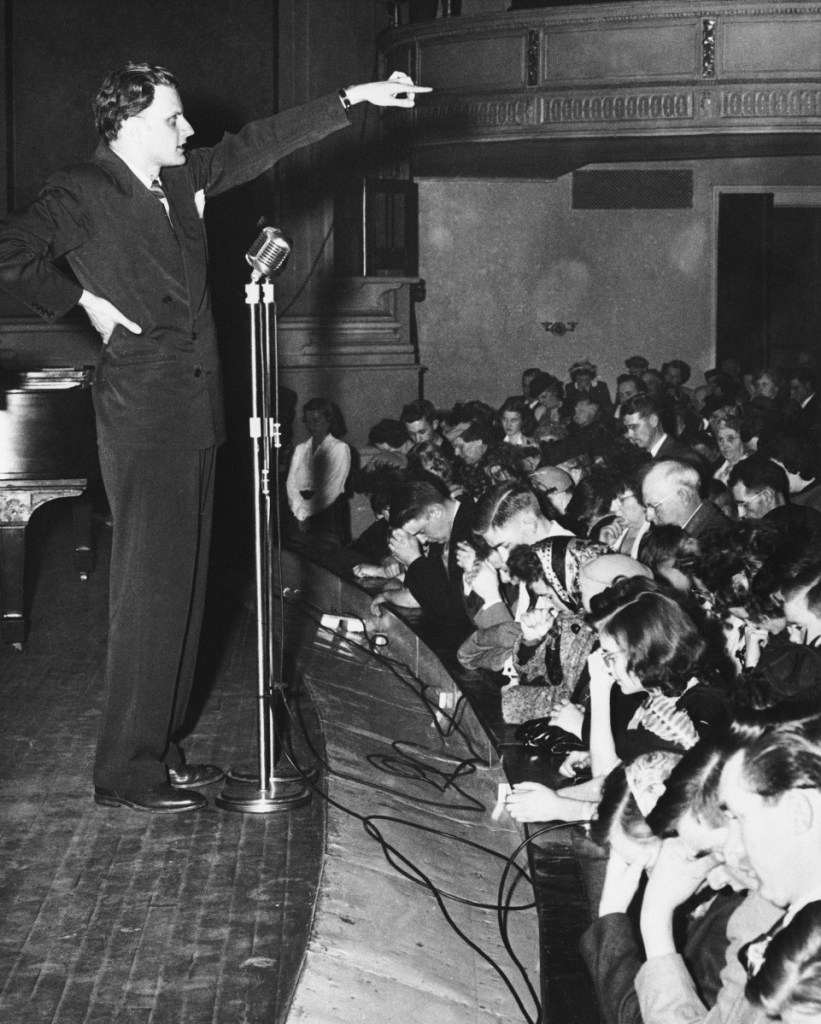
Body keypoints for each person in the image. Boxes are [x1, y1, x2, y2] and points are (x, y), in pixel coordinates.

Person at [0, 60, 430, 813]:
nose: (188, 129)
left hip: (197, 412)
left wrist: (350, 98)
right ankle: (126, 772)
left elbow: (260, 142)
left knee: (186, 592)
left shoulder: (181, 179)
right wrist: (82, 301)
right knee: (148, 595)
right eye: (173, 119)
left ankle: (160, 752)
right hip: (143, 415)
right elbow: (9, 252)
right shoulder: (82, 190)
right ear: (129, 123)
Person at [285, 397, 351, 544]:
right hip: (298, 510)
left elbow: (331, 489)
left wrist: (304, 512)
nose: (311, 425)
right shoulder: (301, 449)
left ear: (329, 421)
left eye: (316, 420)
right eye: (307, 421)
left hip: (327, 513)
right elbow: (291, 483)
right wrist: (298, 510)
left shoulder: (339, 449)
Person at [642, 460, 730, 540]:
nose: (649, 517)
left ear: (683, 497)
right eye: (647, 506)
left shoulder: (718, 537)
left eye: (653, 506)